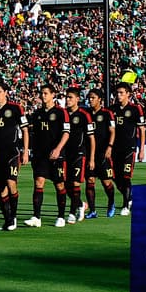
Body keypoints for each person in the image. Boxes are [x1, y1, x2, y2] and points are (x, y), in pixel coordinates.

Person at [0, 79, 28, 231]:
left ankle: (13, 217)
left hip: (12, 153)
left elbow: (25, 131)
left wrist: (25, 151)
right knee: (2, 189)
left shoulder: (16, 108)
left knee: (11, 183)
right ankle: (7, 219)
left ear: (6, 93)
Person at [24, 83, 70, 228]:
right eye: (41, 93)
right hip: (40, 155)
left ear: (53, 95)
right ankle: (36, 216)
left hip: (57, 155)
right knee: (38, 182)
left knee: (59, 185)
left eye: (46, 93)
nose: (43, 96)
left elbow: (66, 133)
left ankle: (61, 216)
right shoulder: (37, 114)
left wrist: (58, 149)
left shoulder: (61, 112)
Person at [112, 81, 146, 216]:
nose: (119, 95)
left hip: (129, 148)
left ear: (128, 94)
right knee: (116, 177)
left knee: (126, 177)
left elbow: (142, 129)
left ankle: (126, 205)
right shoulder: (112, 109)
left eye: (121, 93)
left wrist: (142, 149)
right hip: (114, 149)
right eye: (117, 93)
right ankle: (131, 197)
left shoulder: (135, 109)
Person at [62, 86, 95, 223]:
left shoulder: (84, 115)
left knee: (75, 183)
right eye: (66, 97)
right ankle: (81, 204)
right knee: (65, 185)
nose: (67, 100)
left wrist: (91, 158)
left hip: (79, 154)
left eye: (70, 97)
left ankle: (71, 212)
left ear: (77, 99)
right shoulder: (63, 114)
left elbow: (91, 138)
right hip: (64, 154)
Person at [85, 88, 118, 219]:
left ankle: (111, 203)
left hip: (103, 153)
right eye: (89, 98)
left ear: (100, 99)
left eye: (93, 98)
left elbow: (112, 131)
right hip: (89, 153)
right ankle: (92, 210)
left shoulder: (107, 113)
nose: (90, 100)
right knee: (90, 181)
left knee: (107, 182)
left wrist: (110, 146)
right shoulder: (86, 113)